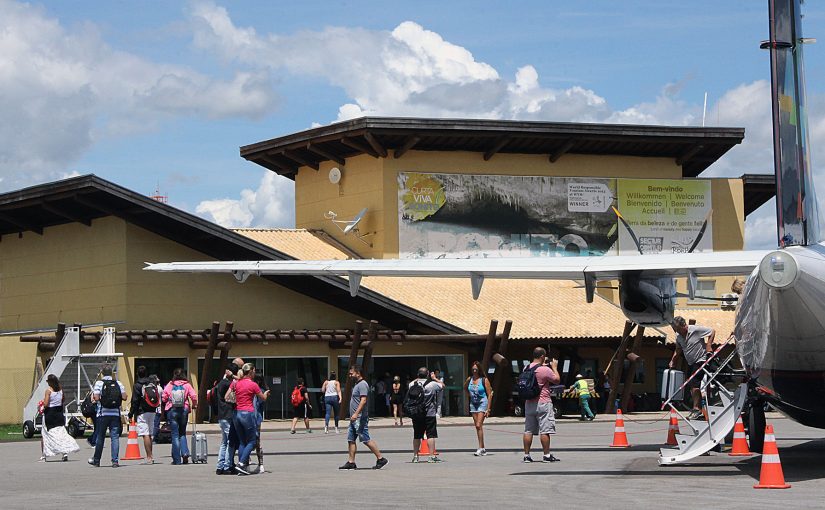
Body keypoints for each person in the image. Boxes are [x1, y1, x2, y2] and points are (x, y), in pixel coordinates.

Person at [339, 365, 388, 470]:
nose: (350, 375)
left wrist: (356, 413)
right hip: (354, 419)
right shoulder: (357, 385)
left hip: (360, 418)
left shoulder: (362, 384)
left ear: (358, 373)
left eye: (351, 373)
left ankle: (381, 458)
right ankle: (351, 462)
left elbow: (363, 400)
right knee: (351, 439)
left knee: (365, 439)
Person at [669, 316, 716, 420]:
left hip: (701, 361)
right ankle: (699, 408)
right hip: (691, 363)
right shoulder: (679, 336)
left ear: (684, 325)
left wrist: (709, 345)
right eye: (676, 330)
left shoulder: (695, 330)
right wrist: (673, 360)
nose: (678, 332)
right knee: (691, 386)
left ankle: (696, 409)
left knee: (694, 383)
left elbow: (712, 331)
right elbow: (678, 349)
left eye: (679, 329)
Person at [522, 347, 561, 463]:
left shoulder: (526, 368)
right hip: (543, 402)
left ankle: (527, 455)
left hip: (529, 403)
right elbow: (557, 380)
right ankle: (546, 455)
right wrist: (554, 367)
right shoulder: (544, 369)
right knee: (545, 430)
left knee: (528, 430)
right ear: (542, 356)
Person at [231, 363, 269, 475]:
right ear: (251, 371)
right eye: (254, 370)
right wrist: (266, 393)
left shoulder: (236, 384)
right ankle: (242, 463)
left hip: (237, 413)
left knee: (242, 442)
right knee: (252, 441)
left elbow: (228, 396)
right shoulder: (253, 385)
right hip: (248, 414)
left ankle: (242, 466)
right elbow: (263, 398)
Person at [88, 364, 127, 467]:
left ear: (102, 372)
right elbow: (125, 397)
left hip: (102, 414)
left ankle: (96, 460)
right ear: (111, 373)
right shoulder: (118, 383)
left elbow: (96, 397)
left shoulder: (99, 383)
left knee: (100, 437)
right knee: (115, 437)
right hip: (115, 414)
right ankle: (115, 461)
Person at [39, 374, 79, 461]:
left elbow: (46, 403)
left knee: (45, 434)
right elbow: (63, 399)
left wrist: (41, 406)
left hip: (50, 414)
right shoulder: (60, 390)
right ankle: (64, 453)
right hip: (59, 413)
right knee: (61, 433)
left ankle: (44, 455)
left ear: (49, 382)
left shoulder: (48, 391)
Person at [409, 366, 444, 463]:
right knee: (430, 435)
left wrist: (418, 378)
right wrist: (434, 378)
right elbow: (442, 386)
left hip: (416, 413)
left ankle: (415, 456)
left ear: (418, 374)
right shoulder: (432, 384)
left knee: (417, 435)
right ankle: (431, 456)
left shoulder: (412, 384)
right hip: (430, 412)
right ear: (428, 374)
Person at [162, 368, 198, 465]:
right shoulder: (187, 385)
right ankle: (185, 453)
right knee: (182, 433)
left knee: (174, 435)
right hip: (184, 410)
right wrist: (194, 404)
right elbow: (194, 396)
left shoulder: (170, 384)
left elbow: (164, 397)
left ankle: (177, 459)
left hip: (172, 410)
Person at [129, 366, 160, 464]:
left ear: (137, 374)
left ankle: (149, 457)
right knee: (150, 434)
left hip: (142, 412)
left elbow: (135, 401)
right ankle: (151, 455)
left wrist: (131, 413)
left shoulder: (137, 385)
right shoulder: (151, 383)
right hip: (152, 410)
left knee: (145, 434)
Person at [464, 361, 493, 456]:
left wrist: (488, 409)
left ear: (479, 370)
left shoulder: (484, 380)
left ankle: (480, 448)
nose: (474, 371)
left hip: (482, 402)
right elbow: (465, 388)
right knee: (478, 427)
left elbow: (489, 394)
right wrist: (469, 395)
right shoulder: (470, 379)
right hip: (473, 403)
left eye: (476, 369)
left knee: (478, 425)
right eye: (473, 369)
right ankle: (483, 448)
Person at [214, 363, 237, 475]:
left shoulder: (220, 383)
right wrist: (233, 376)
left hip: (221, 415)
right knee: (230, 442)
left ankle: (220, 466)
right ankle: (228, 466)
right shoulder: (229, 384)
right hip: (228, 415)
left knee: (224, 442)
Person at [252, 372, 268, 472]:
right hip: (258, 418)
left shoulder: (254, 390)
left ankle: (246, 462)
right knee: (257, 441)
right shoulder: (262, 390)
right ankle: (260, 463)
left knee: (247, 441)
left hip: (251, 417)